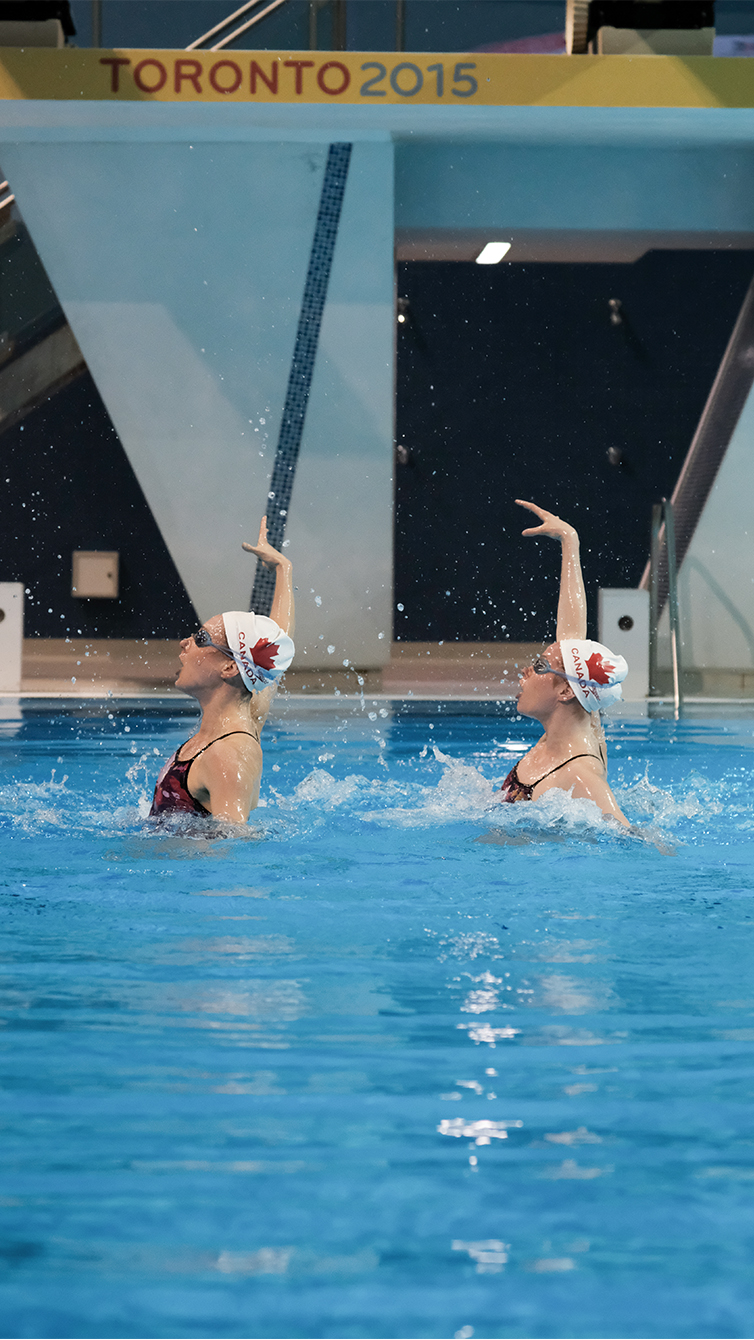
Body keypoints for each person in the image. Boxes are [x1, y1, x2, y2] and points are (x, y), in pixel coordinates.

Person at [149, 517, 294, 824]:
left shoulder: (226, 755)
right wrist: (283, 569)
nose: (185, 642)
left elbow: (232, 848)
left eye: (201, 639)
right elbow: (275, 645)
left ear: (230, 666)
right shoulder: (246, 711)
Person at [500, 500, 629, 826]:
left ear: (566, 691)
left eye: (540, 666)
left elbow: (630, 838)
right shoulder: (579, 719)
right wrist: (570, 540)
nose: (526, 671)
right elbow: (571, 635)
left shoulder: (579, 775)